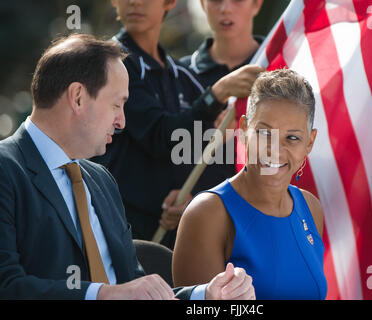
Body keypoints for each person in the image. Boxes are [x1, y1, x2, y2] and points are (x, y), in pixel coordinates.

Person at [0, 34, 255, 300]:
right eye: (117, 104)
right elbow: (7, 287)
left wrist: (205, 295)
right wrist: (102, 295)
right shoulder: (6, 170)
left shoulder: (101, 181)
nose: (122, 121)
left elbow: (133, 289)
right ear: (77, 98)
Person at [92, 0, 264, 248]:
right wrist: (217, 93)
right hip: (120, 233)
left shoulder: (178, 73)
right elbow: (163, 136)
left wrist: (184, 198)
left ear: (170, 2)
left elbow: (186, 152)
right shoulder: (110, 64)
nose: (135, 2)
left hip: (168, 238)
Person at [172, 69, 328, 299]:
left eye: (292, 138)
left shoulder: (310, 207)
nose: (275, 149)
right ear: (244, 130)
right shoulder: (207, 214)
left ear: (310, 142)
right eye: (265, 133)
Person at [180, 0, 265, 192]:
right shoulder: (180, 74)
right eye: (216, 0)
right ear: (202, 4)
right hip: (198, 211)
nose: (226, 8)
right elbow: (172, 150)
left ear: (257, 4)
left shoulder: (280, 66)